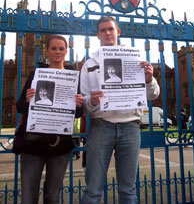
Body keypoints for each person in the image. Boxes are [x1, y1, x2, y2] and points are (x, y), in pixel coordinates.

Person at [80, 16, 160, 204]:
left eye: (110, 29)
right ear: (97, 35)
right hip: (101, 126)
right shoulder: (89, 64)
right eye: (103, 30)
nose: (107, 33)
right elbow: (83, 103)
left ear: (118, 32)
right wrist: (91, 101)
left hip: (130, 127)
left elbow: (153, 95)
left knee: (128, 190)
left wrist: (149, 80)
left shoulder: (136, 60)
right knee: (92, 190)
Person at [12, 35, 84, 204]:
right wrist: (27, 101)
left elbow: (78, 114)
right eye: (54, 48)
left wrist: (79, 105)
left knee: (53, 196)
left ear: (66, 51)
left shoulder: (73, 77)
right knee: (28, 197)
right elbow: (20, 106)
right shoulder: (35, 74)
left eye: (61, 48)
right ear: (47, 51)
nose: (57, 52)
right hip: (32, 144)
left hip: (60, 145)